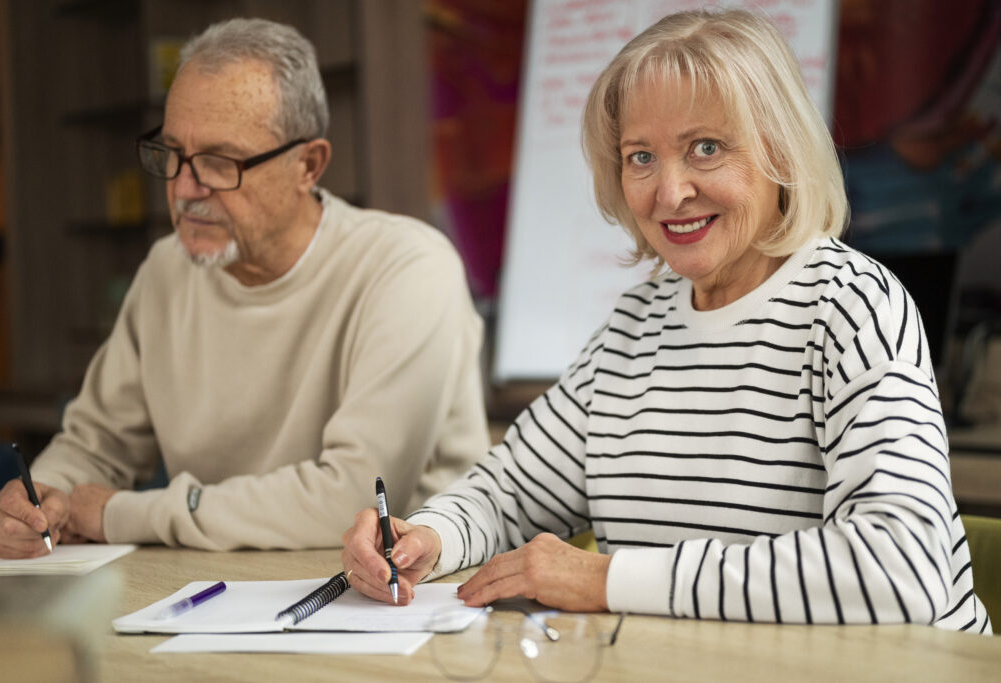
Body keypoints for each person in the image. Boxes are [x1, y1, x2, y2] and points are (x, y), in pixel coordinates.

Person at [342, 9, 991, 633]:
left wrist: (607, 580)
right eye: (640, 157)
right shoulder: (635, 327)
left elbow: (905, 566)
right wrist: (425, 534)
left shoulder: (852, 307)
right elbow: (510, 491)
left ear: (780, 153)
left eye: (705, 148)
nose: (669, 191)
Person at [0, 18, 488, 556]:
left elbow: (350, 501)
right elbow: (95, 444)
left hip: (392, 602)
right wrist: (43, 496)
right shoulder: (167, 270)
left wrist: (119, 513)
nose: (183, 189)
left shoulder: (407, 268)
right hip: (215, 592)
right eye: (172, 153)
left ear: (308, 164)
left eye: (219, 162)